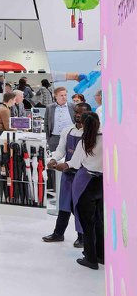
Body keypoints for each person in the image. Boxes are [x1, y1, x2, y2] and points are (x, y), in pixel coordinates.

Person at [55, 112, 103, 269]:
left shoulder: (85, 142)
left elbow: (74, 163)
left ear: (83, 125)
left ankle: (90, 258)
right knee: (99, 221)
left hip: (86, 183)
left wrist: (59, 165)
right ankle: (101, 254)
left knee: (87, 223)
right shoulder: (106, 139)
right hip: (102, 184)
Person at [43, 103, 91, 247]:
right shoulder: (67, 130)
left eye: (81, 113)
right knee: (64, 204)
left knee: (79, 206)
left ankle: (82, 237)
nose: (78, 115)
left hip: (84, 176)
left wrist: (65, 164)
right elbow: (60, 150)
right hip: (68, 174)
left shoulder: (91, 134)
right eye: (76, 112)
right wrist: (53, 159)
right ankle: (58, 233)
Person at [45, 87, 76, 152]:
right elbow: (46, 124)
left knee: (70, 157)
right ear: (55, 96)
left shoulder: (73, 107)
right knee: (53, 157)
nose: (64, 97)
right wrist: (48, 139)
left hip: (69, 138)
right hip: (54, 139)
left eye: (65, 95)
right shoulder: (49, 108)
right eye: (61, 95)